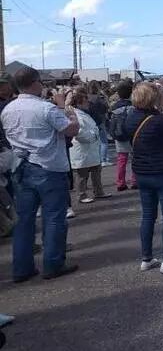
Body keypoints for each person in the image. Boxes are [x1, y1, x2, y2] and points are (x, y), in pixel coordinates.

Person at [1, 66, 80, 282]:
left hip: (21, 166)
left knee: (24, 220)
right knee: (54, 217)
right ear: (35, 83)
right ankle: (53, 263)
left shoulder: (7, 110)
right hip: (48, 166)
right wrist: (66, 108)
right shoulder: (46, 109)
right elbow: (70, 130)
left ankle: (22, 268)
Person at [124, 82, 163, 274]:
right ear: (152, 99)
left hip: (142, 172)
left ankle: (146, 258)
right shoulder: (160, 120)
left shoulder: (130, 118)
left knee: (148, 216)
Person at [66, 88, 109, 204]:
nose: (88, 104)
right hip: (82, 147)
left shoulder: (84, 113)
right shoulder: (75, 115)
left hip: (91, 147)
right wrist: (93, 135)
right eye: (85, 101)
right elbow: (78, 133)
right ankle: (81, 195)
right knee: (81, 174)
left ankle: (99, 191)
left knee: (96, 170)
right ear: (79, 103)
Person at [111, 80, 138, 191]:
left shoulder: (114, 107)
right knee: (135, 159)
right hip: (133, 136)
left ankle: (120, 183)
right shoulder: (133, 107)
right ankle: (135, 181)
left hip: (119, 135)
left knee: (121, 160)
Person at [87, 81, 112, 167]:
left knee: (96, 141)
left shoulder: (87, 97)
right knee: (104, 141)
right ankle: (103, 160)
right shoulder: (100, 97)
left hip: (90, 121)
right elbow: (107, 107)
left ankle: (99, 158)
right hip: (100, 120)